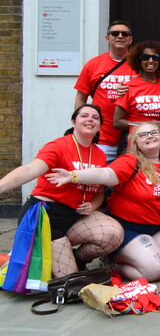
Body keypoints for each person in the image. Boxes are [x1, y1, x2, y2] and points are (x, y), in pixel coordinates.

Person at [45, 122, 160, 280]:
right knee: (154, 271)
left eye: (154, 132)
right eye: (143, 134)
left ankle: (149, 255)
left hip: (159, 228)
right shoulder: (130, 161)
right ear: (135, 142)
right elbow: (106, 175)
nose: (149, 136)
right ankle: (110, 263)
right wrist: (73, 176)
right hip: (128, 228)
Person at [0, 105, 123, 278]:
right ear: (74, 122)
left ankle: (77, 258)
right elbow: (30, 169)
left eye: (95, 118)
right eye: (84, 116)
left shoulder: (99, 155)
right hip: (48, 215)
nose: (90, 119)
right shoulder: (58, 145)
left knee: (113, 234)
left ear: (100, 126)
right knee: (68, 278)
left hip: (75, 215)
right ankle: (25, 255)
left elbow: (100, 192)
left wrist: (93, 205)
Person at [73, 21, 135, 162]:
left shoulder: (138, 65)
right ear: (107, 38)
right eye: (115, 33)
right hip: (101, 137)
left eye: (125, 34)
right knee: (98, 180)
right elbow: (80, 99)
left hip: (130, 138)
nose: (120, 36)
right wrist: (81, 126)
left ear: (130, 39)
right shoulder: (93, 65)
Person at [114, 40, 160, 138]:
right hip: (135, 140)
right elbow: (117, 122)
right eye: (145, 57)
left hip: (158, 139)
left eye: (155, 57)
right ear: (139, 61)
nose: (150, 61)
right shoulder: (128, 87)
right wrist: (145, 125)